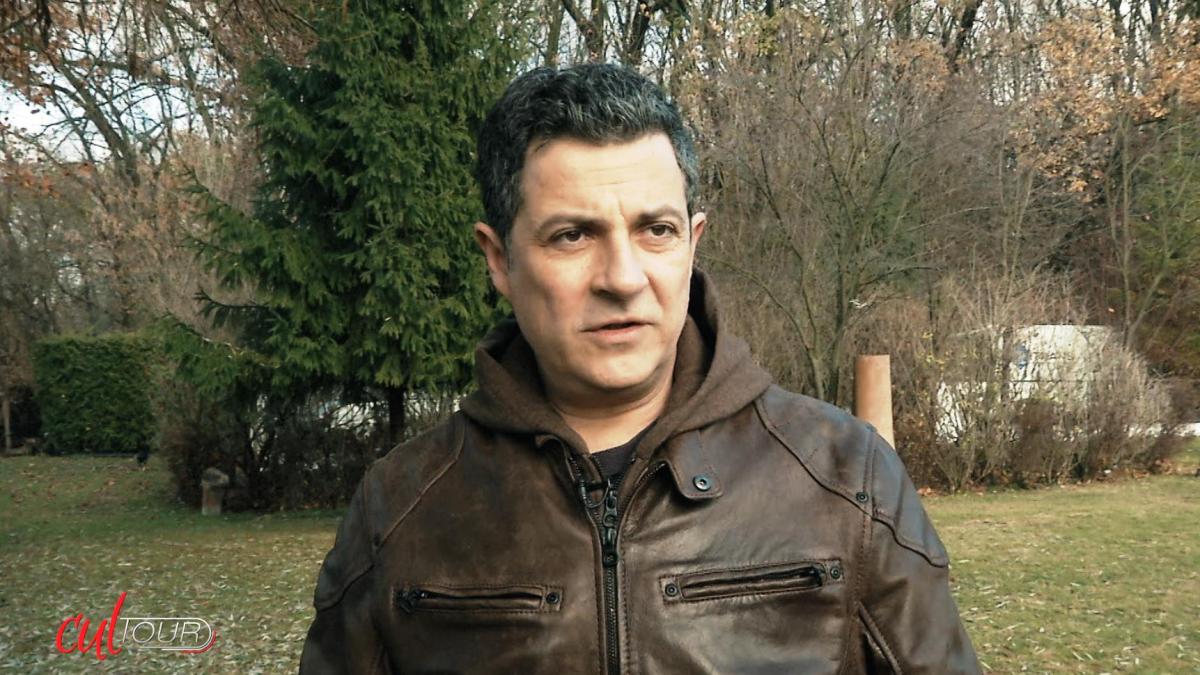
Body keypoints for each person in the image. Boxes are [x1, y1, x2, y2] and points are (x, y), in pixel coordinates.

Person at [299, 63, 980, 674]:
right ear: (499, 259)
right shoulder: (401, 508)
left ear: (693, 243)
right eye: (573, 235)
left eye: (657, 230)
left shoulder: (847, 480)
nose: (623, 278)